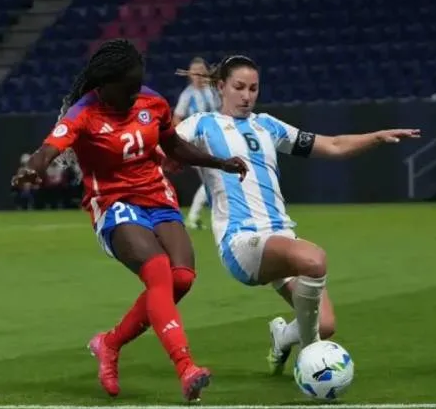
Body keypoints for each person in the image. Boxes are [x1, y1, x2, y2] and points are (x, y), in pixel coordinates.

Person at [10, 39, 247, 401]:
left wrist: (220, 162)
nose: (137, 93)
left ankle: (109, 343)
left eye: (139, 84)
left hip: (157, 195)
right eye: (128, 88)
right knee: (157, 273)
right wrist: (31, 170)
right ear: (104, 87)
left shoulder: (151, 101)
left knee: (181, 278)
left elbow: (173, 146)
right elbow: (47, 151)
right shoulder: (83, 113)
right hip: (115, 203)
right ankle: (186, 368)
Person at [174, 55, 420, 375]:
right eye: (239, 87)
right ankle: (310, 364)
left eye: (253, 88)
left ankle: (283, 338)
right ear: (221, 87)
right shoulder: (201, 124)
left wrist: (375, 137)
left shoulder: (268, 125)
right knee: (314, 259)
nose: (247, 95)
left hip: (280, 237)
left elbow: (332, 145)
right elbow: (164, 144)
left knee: (325, 325)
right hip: (242, 239)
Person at [173, 57, 220, 230]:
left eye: (201, 71)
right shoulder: (187, 95)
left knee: (214, 180)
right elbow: (177, 117)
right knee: (214, 179)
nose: (198, 75)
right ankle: (195, 216)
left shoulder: (214, 90)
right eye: (195, 72)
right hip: (198, 144)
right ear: (190, 75)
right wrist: (183, 139)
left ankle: (195, 216)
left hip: (217, 140)